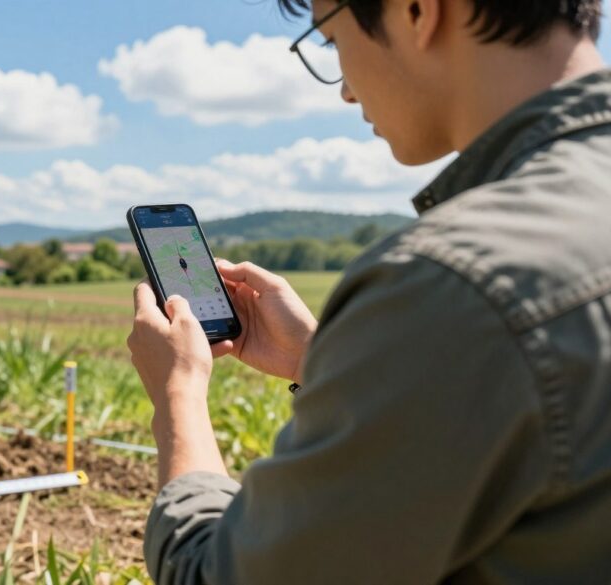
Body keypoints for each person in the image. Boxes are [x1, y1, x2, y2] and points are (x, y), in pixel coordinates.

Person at [127, 0, 611, 583]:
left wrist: (178, 397)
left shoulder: (453, 283)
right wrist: (327, 360)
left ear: (417, 11)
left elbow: (218, 574)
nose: (347, 94)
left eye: (332, 42)